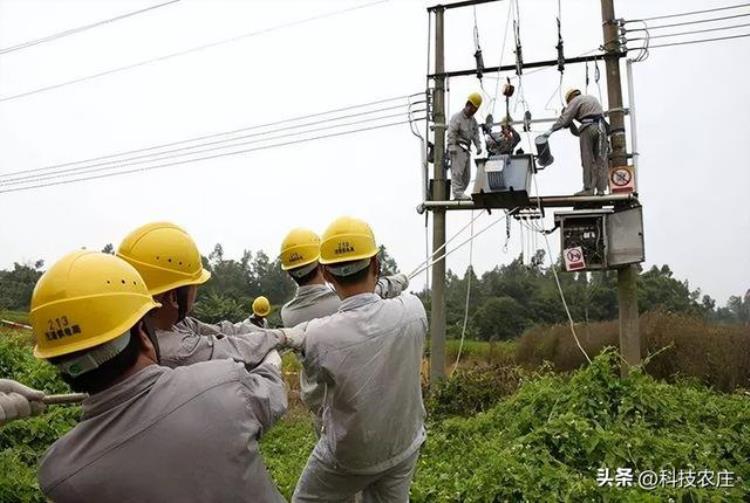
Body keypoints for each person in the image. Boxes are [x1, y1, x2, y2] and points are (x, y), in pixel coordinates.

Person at [31, 250, 287, 502]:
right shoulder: (223, 383)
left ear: (56, 361)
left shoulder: (59, 474)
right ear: (143, 331)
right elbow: (272, 395)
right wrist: (272, 360)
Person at [284, 217, 427, 502]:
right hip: (404, 442)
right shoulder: (413, 310)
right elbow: (379, 300)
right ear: (376, 263)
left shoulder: (313, 333)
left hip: (351, 453)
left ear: (326, 273)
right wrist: (394, 283)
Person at [278, 227, 410, 433]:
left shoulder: (288, 314)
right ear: (323, 266)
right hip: (357, 401)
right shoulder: (338, 302)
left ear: (288, 272)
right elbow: (379, 289)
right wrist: (401, 280)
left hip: (320, 406)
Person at [117, 222, 285, 369]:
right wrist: (282, 337)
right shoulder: (174, 350)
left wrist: (269, 334)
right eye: (194, 287)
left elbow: (219, 330)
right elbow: (228, 349)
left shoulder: (168, 323)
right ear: (174, 298)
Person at [543, 88, 609, 195]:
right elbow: (578, 133)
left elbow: (564, 120)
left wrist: (551, 130)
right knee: (601, 160)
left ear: (570, 98)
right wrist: (571, 123)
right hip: (602, 129)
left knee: (587, 160)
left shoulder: (575, 101)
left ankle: (588, 189)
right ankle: (601, 190)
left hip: (588, 128)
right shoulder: (591, 99)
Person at [447, 92, 483, 200]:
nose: (473, 111)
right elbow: (451, 133)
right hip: (457, 148)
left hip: (466, 149)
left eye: (475, 109)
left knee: (467, 176)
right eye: (472, 108)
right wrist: (451, 146)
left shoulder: (473, 121)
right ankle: (457, 193)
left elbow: (476, 134)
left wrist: (478, 146)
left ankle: (460, 193)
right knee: (457, 173)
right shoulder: (457, 117)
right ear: (468, 105)